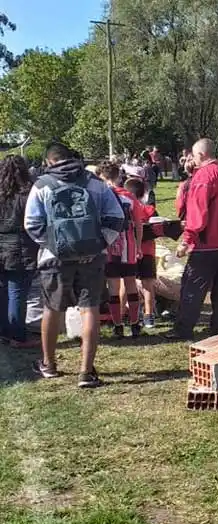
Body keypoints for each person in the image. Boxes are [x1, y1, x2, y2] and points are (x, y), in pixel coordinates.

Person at [25, 142, 126, 387]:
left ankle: (49, 365)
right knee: (89, 309)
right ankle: (86, 372)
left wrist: (55, 246)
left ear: (49, 162)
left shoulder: (41, 185)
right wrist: (99, 244)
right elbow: (117, 217)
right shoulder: (95, 183)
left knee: (52, 309)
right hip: (92, 258)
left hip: (54, 260)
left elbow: (31, 223)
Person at [168, 138, 218, 341]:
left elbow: (197, 212)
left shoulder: (204, 176)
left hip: (207, 243)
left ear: (200, 155)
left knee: (192, 287)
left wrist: (187, 240)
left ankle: (183, 329)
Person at [98, 162, 145, 339]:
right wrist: (138, 245)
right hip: (128, 246)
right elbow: (139, 225)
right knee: (131, 284)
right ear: (118, 177)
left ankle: (117, 325)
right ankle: (134, 324)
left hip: (109, 246)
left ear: (102, 177)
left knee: (113, 287)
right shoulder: (129, 197)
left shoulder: (102, 197)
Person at [0, 155, 39, 348]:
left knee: (3, 291)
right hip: (20, 245)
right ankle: (17, 335)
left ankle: (5, 331)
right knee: (17, 291)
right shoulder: (27, 194)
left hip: (4, 243)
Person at [125, 175, 158, 330]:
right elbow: (158, 228)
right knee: (148, 284)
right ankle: (149, 315)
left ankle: (122, 314)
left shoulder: (124, 208)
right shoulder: (149, 210)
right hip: (148, 251)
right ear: (143, 192)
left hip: (129, 250)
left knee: (126, 284)